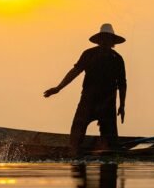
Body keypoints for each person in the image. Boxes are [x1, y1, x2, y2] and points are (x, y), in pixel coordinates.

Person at [44, 23, 127, 157]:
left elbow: (122, 84)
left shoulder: (117, 59)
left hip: (108, 104)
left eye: (108, 39)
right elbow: (75, 71)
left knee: (111, 143)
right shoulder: (89, 54)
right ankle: (74, 152)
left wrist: (122, 105)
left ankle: (108, 151)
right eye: (103, 39)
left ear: (112, 42)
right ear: (99, 40)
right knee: (76, 134)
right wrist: (58, 88)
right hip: (88, 101)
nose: (106, 42)